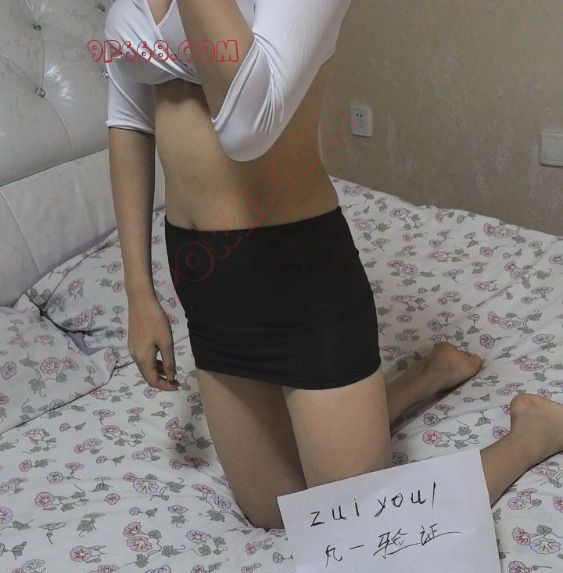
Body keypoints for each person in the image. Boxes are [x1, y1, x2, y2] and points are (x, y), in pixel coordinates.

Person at [105, 0, 563, 530]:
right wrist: (139, 290)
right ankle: (418, 382)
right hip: (204, 279)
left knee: (358, 532)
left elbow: (247, 126)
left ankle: (533, 433)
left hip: (295, 268)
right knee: (274, 515)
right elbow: (128, 118)